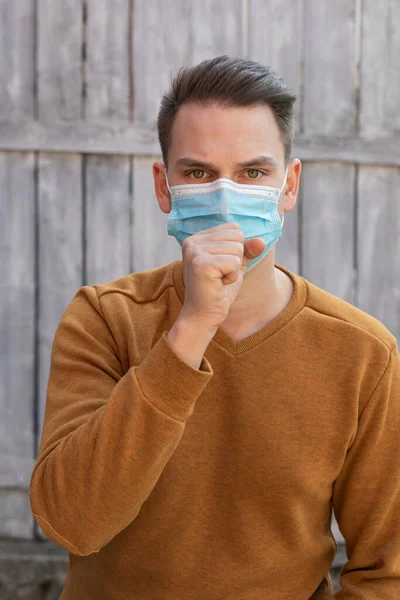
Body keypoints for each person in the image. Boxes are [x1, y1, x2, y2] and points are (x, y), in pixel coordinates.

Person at [29, 55, 400, 599]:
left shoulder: (363, 353)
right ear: (164, 187)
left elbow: (386, 571)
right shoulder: (104, 319)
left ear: (289, 186)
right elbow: (71, 521)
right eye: (198, 173)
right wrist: (191, 329)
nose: (226, 195)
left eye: (253, 173)